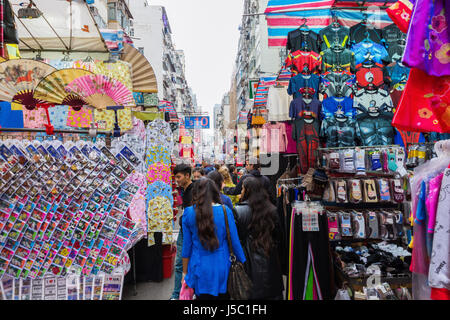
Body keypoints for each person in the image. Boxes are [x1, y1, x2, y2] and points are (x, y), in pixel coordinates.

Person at [182, 178, 246, 300]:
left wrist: (184, 273)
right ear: (215, 192)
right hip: (223, 266)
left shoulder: (188, 212)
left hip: (198, 267)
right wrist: (243, 262)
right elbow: (235, 242)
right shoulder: (225, 211)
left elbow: (186, 246)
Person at [234, 177, 284, 300]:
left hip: (248, 264)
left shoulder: (239, 211)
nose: (241, 192)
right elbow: (280, 237)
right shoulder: (272, 210)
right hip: (271, 263)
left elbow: (236, 239)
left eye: (242, 189)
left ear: (247, 191)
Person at [170, 164, 194, 300]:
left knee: (182, 263)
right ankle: (178, 294)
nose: (176, 180)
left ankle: (181, 294)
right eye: (175, 177)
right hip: (184, 231)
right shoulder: (184, 190)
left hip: (189, 233)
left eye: (178, 177)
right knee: (180, 263)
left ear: (187, 175)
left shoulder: (193, 191)